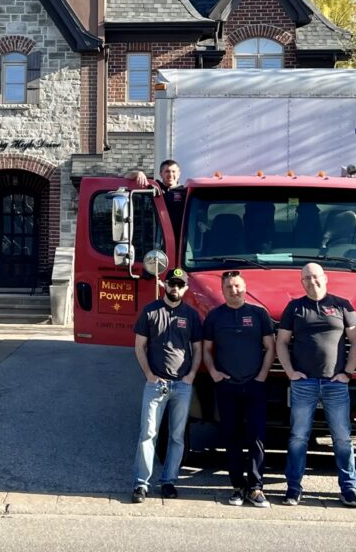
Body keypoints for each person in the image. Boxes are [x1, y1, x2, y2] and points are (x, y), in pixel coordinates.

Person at [276, 263, 356, 507]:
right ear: (301, 282)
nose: (311, 281)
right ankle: (293, 488)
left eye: (315, 277)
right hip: (304, 384)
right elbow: (281, 342)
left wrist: (348, 373)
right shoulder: (294, 308)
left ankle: (349, 489)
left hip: (336, 383)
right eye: (306, 278)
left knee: (342, 437)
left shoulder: (342, 305)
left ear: (325, 278)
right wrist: (290, 372)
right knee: (298, 437)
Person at [202, 270, 276, 508]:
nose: (233, 291)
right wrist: (214, 373)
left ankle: (255, 487)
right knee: (231, 437)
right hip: (227, 386)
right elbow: (206, 349)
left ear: (245, 287)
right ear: (222, 291)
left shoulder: (259, 314)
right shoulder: (214, 317)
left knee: (256, 437)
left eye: (237, 286)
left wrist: (262, 376)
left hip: (254, 385)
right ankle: (237, 486)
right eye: (228, 287)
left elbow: (270, 347)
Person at [131, 267, 202, 503]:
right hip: (155, 384)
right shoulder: (150, 311)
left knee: (177, 436)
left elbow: (198, 348)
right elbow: (139, 346)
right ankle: (141, 484)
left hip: (182, 385)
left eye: (180, 285)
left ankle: (169, 481)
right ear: (165, 284)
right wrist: (149, 374)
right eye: (172, 283)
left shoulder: (191, 315)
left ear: (186, 288)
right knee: (148, 434)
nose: (175, 288)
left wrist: (191, 375)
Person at [128, 159, 187, 234]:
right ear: (160, 174)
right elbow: (127, 176)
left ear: (179, 174)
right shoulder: (155, 186)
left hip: (178, 236)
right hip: (157, 236)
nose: (170, 174)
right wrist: (138, 173)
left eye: (173, 171)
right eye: (167, 171)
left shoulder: (185, 192)